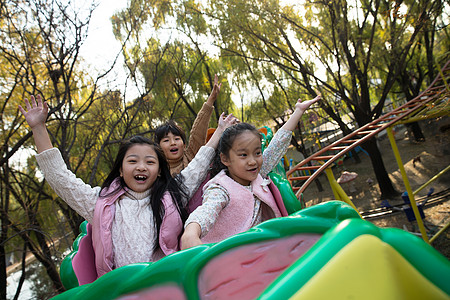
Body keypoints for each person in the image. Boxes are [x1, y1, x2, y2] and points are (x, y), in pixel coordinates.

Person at [19, 95, 237, 280]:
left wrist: (220, 131)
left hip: (168, 283)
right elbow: (61, 179)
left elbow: (199, 164)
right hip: (124, 289)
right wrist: (39, 127)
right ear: (121, 170)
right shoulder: (102, 203)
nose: (141, 167)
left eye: (150, 162)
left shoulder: (173, 194)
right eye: (132, 161)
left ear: (160, 170)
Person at [180, 94, 321, 250]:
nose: (253, 161)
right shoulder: (220, 188)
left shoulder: (257, 174)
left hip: (262, 248)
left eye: (257, 153)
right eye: (243, 155)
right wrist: (191, 232)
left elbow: (278, 145)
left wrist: (298, 111)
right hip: (229, 256)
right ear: (225, 159)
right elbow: (207, 211)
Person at [156, 74, 222, 176]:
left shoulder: (191, 156)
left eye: (177, 139)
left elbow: (198, 132)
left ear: (184, 145)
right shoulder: (156, 171)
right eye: (166, 140)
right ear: (158, 148)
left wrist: (211, 99)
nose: (173, 143)